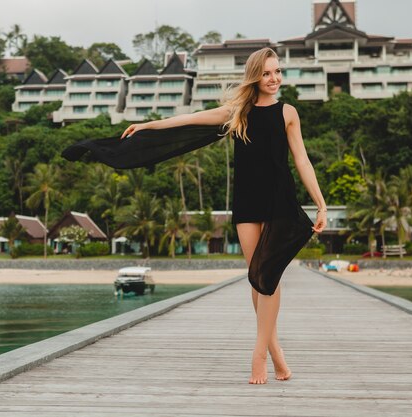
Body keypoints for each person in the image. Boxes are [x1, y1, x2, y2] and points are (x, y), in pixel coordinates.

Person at [119, 48, 327, 384]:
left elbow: (302, 161)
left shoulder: (288, 112)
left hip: (280, 202)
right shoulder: (238, 112)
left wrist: (321, 203)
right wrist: (148, 125)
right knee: (256, 277)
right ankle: (278, 356)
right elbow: (188, 120)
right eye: (267, 74)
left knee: (269, 277)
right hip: (246, 201)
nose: (274, 79)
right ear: (255, 77)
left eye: (278, 72)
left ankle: (259, 356)